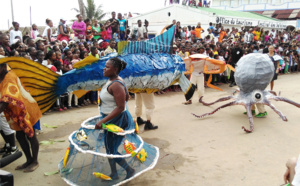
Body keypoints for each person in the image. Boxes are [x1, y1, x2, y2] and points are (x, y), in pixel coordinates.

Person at [95, 57, 135, 179]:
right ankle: (114, 173)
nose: (104, 69)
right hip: (110, 118)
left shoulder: (116, 84)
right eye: (105, 66)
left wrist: (103, 120)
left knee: (111, 149)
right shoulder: (113, 80)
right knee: (110, 147)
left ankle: (129, 170)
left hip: (115, 120)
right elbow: (127, 97)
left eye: (107, 67)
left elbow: (121, 107)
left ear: (115, 69)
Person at [0, 63, 41, 172]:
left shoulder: (9, 77)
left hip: (25, 109)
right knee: (20, 136)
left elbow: (5, 101)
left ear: (3, 67)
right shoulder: (1, 76)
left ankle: (35, 161)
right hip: (15, 110)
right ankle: (29, 160)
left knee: (30, 135)